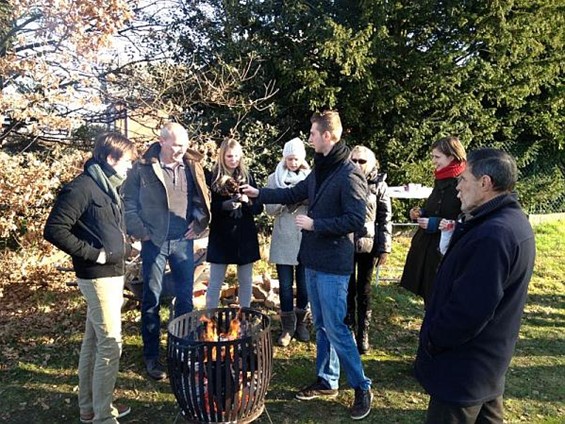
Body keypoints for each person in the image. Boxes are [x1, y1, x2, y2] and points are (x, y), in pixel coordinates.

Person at [242, 111, 373, 421]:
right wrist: (259, 193)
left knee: (337, 328)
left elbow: (357, 220)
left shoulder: (349, 173)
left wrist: (317, 224)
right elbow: (291, 194)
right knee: (322, 326)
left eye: (313, 133)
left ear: (328, 135)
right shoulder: (319, 171)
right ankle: (327, 380)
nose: (310, 137)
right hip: (311, 260)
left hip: (333, 264)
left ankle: (362, 386)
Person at [414, 148, 536, 424]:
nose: (457, 187)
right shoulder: (507, 222)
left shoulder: (495, 235)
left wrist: (433, 338)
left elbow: (469, 311)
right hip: (485, 366)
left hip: (464, 370)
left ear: (485, 183)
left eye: (464, 179)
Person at [44, 132, 137, 424]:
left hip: (112, 274)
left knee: (94, 341)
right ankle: (103, 417)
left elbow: (105, 228)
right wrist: (93, 254)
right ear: (111, 159)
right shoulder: (82, 187)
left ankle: (90, 407)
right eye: (127, 161)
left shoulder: (108, 187)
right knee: (111, 342)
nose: (130, 167)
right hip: (97, 276)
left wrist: (126, 246)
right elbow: (55, 229)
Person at [122, 122, 211, 381]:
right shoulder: (143, 168)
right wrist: (141, 232)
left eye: (184, 145)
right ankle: (151, 356)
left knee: (185, 298)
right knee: (150, 298)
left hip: (183, 241)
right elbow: (128, 202)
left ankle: (183, 352)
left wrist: (200, 223)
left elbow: (203, 197)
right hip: (154, 243)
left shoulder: (192, 165)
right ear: (161, 142)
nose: (181, 150)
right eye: (175, 146)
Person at [400, 136, 466, 306]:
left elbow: (463, 217)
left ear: (451, 157)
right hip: (429, 247)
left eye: (437, 157)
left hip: (446, 249)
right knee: (430, 296)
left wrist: (435, 223)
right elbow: (435, 207)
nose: (433, 162)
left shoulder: (463, 181)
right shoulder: (441, 179)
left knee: (440, 297)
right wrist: (421, 212)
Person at [205, 138, 263, 309]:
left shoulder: (247, 176)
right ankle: (209, 319)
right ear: (222, 156)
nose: (233, 160)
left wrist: (247, 201)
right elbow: (206, 207)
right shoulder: (213, 177)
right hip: (221, 236)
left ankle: (245, 316)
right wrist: (223, 205)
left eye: (237, 156)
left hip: (244, 235)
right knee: (215, 281)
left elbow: (258, 208)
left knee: (246, 281)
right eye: (229, 156)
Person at [265, 137, 311, 347]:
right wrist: (286, 199)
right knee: (284, 286)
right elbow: (269, 209)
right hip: (283, 236)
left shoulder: (311, 179)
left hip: (304, 237)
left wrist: (303, 200)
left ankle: (301, 323)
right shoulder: (274, 178)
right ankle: (287, 327)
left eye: (296, 159)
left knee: (304, 285)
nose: (293, 163)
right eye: (289, 158)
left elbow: (318, 207)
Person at [347, 145, 392, 354]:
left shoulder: (379, 185)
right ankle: (348, 330)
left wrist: (385, 248)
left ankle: (363, 334)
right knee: (347, 290)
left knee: (364, 291)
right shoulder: (344, 179)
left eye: (362, 161)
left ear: (371, 163)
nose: (357, 164)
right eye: (354, 160)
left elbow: (385, 219)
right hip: (345, 244)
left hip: (368, 245)